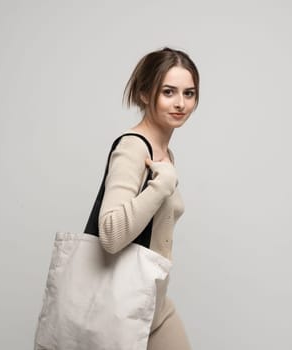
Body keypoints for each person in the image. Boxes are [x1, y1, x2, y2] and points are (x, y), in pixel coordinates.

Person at [98, 47, 199, 350]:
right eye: (168, 92)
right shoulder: (133, 148)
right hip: (121, 307)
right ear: (144, 93)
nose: (181, 103)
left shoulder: (165, 154)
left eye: (189, 93)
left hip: (154, 304)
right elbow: (111, 234)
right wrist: (161, 185)